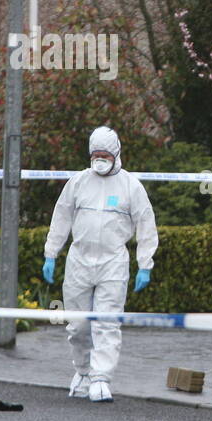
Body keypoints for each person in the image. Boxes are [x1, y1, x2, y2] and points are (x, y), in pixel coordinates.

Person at [42, 126, 158, 403]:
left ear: (116, 154)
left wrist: (145, 263)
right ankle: (82, 372)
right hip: (79, 259)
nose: (100, 160)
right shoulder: (79, 182)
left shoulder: (131, 186)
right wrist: (51, 253)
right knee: (78, 325)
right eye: (95, 155)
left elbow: (146, 224)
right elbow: (61, 217)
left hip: (113, 262)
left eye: (105, 155)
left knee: (107, 323)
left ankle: (101, 378)